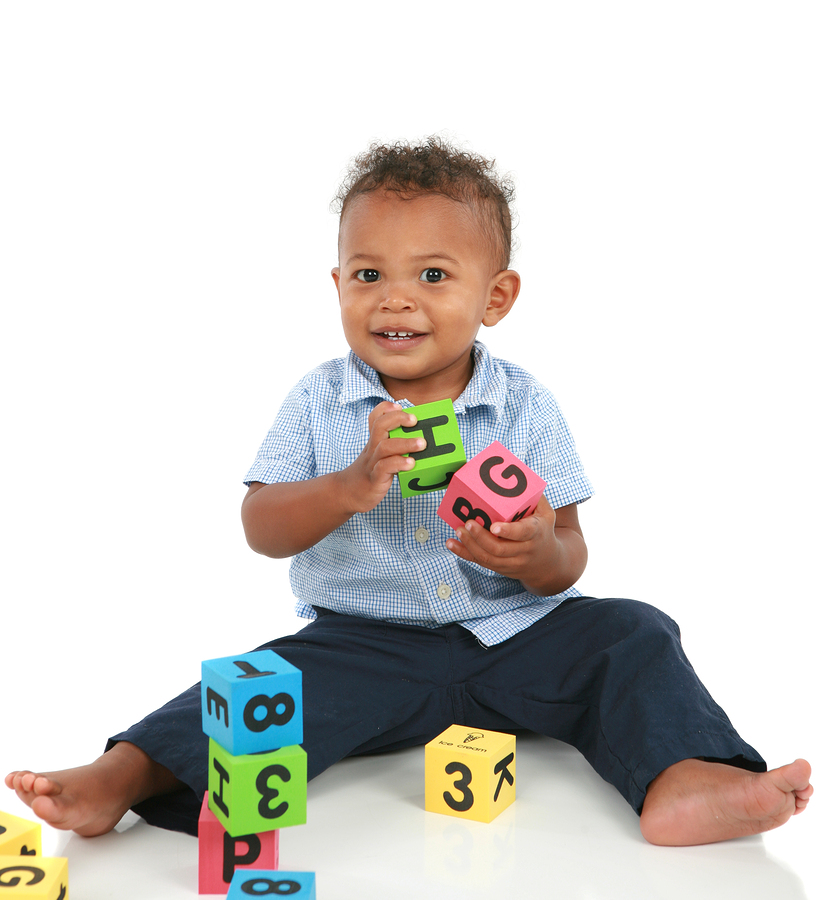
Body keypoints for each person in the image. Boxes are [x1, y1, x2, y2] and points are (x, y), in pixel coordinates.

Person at [6, 138, 812, 846]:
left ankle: (685, 778)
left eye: (432, 274)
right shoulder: (319, 401)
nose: (395, 297)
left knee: (633, 631)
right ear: (337, 285)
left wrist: (537, 555)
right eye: (368, 273)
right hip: (360, 646)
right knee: (258, 684)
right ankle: (125, 774)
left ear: (495, 297)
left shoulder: (525, 402)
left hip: (518, 634)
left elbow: (570, 553)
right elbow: (261, 524)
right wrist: (349, 485)